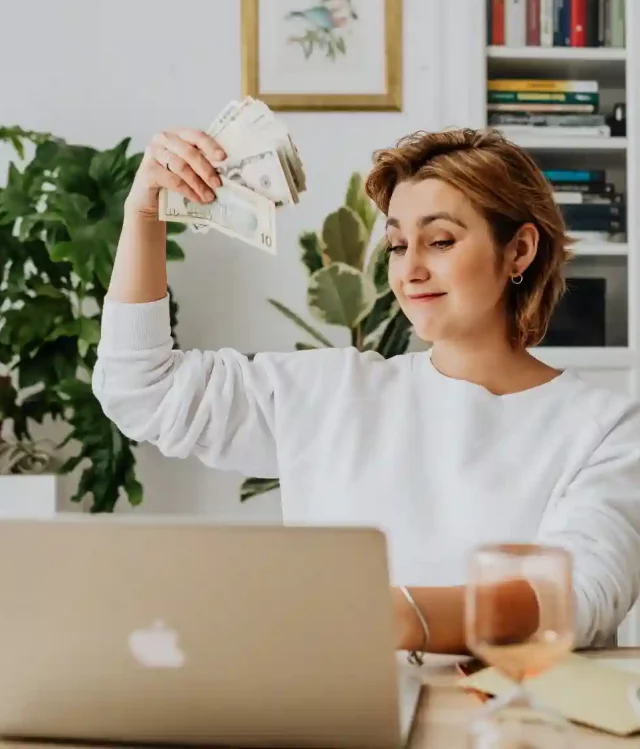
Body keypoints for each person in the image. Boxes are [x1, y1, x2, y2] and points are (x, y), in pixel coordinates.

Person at [93, 125, 640, 658]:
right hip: (342, 720)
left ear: (519, 251)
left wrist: (391, 615)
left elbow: (582, 598)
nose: (411, 270)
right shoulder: (333, 393)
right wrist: (143, 216)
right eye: (399, 245)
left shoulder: (603, 429)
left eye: (441, 240)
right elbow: (142, 390)